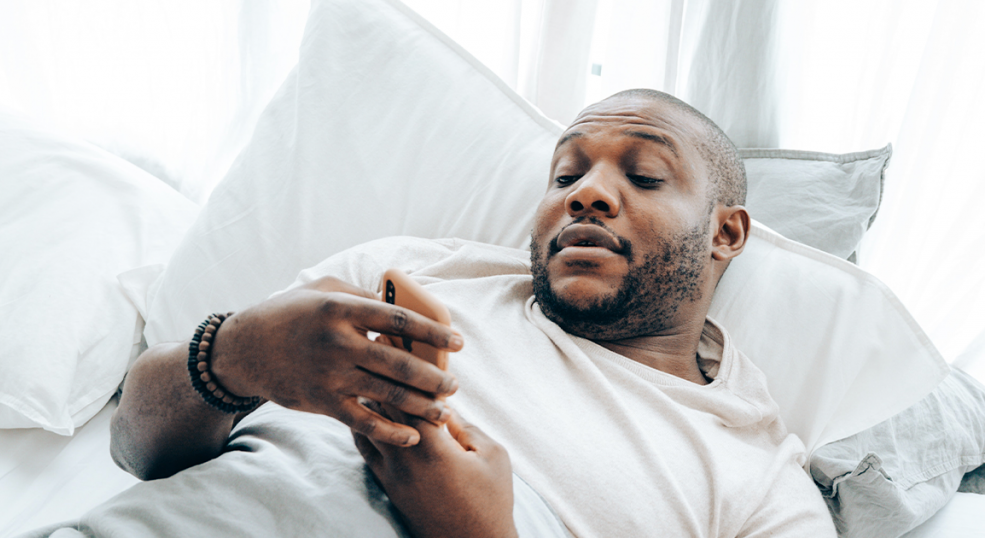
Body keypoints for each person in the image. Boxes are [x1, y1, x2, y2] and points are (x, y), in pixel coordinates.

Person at [101, 89, 835, 538]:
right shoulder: (414, 273)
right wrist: (232, 356)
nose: (586, 193)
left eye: (644, 176)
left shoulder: (756, 480)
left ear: (725, 233)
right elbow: (135, 448)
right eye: (566, 174)